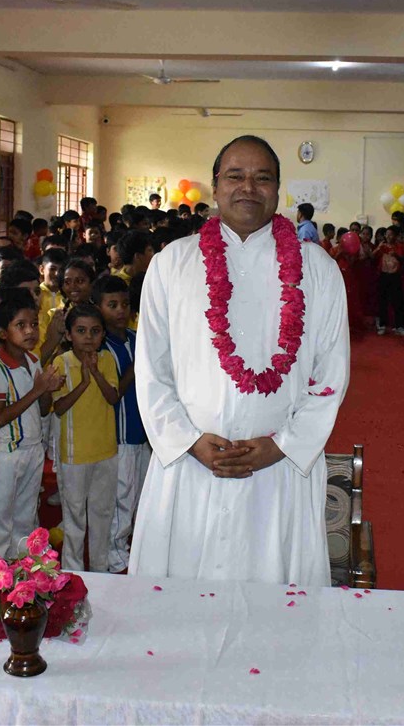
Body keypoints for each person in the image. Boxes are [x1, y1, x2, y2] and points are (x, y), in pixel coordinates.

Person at [130, 135, 349, 586]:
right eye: (235, 176)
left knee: (277, 605)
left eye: (262, 178)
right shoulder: (172, 263)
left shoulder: (318, 269)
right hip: (189, 466)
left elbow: (331, 375)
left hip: (280, 470)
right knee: (179, 603)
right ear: (215, 186)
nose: (248, 187)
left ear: (278, 190)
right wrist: (189, 441)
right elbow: (151, 369)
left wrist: (281, 446)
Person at [0, 294, 63, 559]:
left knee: (26, 515)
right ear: (3, 333)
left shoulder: (33, 360)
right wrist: (37, 389)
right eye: (21, 325)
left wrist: (47, 389)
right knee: (0, 518)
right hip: (8, 451)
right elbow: (0, 418)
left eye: (34, 324)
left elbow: (42, 408)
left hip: (32, 447)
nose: (30, 331)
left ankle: (21, 569)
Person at [51, 304, 120, 573]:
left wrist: (96, 373)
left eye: (95, 331)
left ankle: (100, 567)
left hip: (105, 450)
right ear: (69, 335)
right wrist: (83, 382)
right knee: (74, 517)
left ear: (102, 335)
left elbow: (112, 397)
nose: (88, 337)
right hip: (74, 454)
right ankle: (73, 571)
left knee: (102, 513)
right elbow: (59, 407)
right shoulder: (61, 363)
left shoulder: (106, 360)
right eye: (81, 331)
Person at [94, 275, 151, 573]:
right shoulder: (101, 346)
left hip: (144, 430)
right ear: (98, 308)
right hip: (120, 433)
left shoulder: (137, 337)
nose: (120, 310)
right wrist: (137, 365)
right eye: (112, 305)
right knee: (122, 497)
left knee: (143, 494)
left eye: (125, 304)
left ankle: (137, 546)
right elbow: (113, 390)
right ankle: (114, 553)